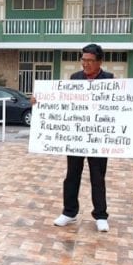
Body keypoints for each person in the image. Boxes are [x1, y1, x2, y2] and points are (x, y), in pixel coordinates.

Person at [53, 44, 115, 233]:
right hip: (77, 136)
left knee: (98, 176)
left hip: (98, 137)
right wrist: (40, 101)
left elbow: (121, 104)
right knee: (72, 175)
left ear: (99, 62)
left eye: (89, 61)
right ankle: (69, 212)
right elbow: (63, 102)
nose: (85, 64)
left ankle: (101, 215)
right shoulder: (75, 79)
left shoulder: (110, 80)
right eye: (83, 60)